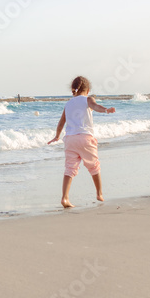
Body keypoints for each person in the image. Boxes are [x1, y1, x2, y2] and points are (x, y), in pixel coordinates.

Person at [47, 76, 116, 208]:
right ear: (88, 90)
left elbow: (61, 122)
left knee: (70, 169)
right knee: (94, 166)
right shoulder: (88, 99)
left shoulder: (68, 104)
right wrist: (106, 110)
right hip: (85, 138)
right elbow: (95, 106)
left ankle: (65, 198)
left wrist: (57, 136)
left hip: (70, 140)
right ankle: (99, 193)